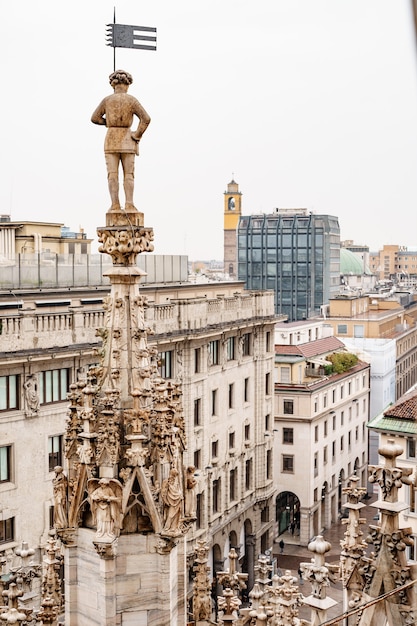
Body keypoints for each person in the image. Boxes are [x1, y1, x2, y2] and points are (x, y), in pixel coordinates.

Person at [91, 69, 151, 212]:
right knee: (129, 174)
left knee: (112, 174)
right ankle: (129, 203)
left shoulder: (107, 100)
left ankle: (115, 205)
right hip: (127, 138)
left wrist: (107, 122)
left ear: (113, 85)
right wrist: (137, 135)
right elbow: (146, 119)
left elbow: (94, 118)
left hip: (111, 138)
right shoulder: (131, 100)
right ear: (128, 85)